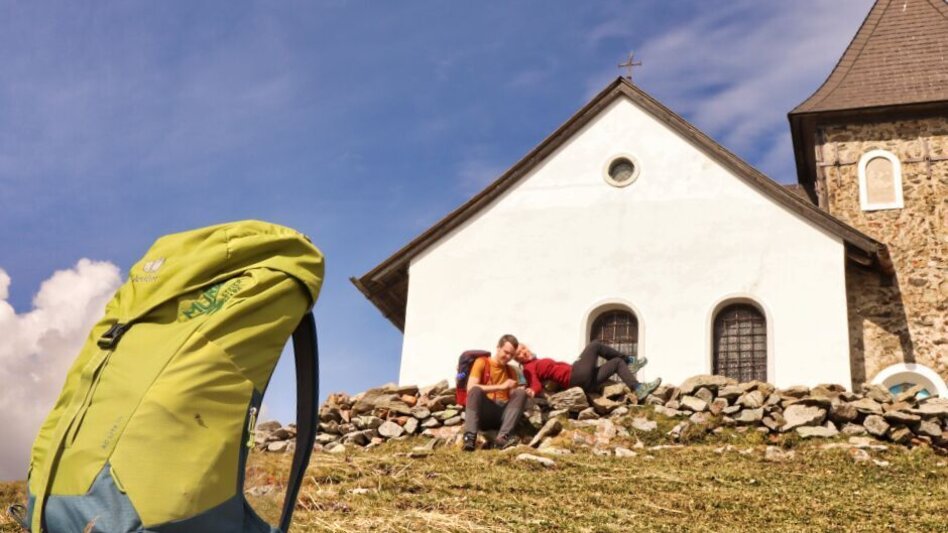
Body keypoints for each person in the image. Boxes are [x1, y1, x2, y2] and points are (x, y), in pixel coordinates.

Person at [514, 340, 661, 400]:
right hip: (575, 376)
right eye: (519, 354)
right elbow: (535, 384)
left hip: (586, 383)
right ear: (517, 360)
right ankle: (629, 361)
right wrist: (531, 391)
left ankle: (638, 389)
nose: (523, 353)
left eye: (523, 348)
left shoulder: (535, 362)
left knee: (616, 363)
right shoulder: (528, 368)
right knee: (594, 345)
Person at [462, 334, 528, 452]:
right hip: (484, 412)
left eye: (512, 355)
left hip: (503, 415)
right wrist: (501, 386)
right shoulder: (482, 362)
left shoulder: (511, 371)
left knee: (521, 393)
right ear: (498, 347)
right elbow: (470, 388)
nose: (508, 357)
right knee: (475, 390)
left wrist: (520, 392)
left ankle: (502, 439)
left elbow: (513, 396)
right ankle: (469, 439)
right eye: (506, 352)